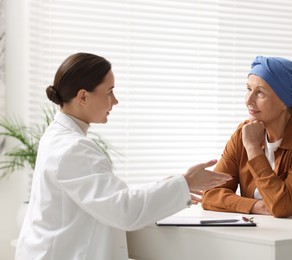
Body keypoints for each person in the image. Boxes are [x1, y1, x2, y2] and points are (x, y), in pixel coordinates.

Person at [15, 52, 232, 260]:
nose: (115, 101)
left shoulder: (58, 136)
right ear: (83, 96)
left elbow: (106, 194)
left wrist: (168, 185)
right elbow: (124, 211)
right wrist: (186, 182)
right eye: (109, 92)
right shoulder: (73, 147)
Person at [202, 55, 292, 224]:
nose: (248, 100)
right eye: (248, 89)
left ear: (284, 101)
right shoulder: (243, 132)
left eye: (260, 92)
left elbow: (281, 205)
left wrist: (253, 148)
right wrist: (257, 206)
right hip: (273, 236)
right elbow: (210, 195)